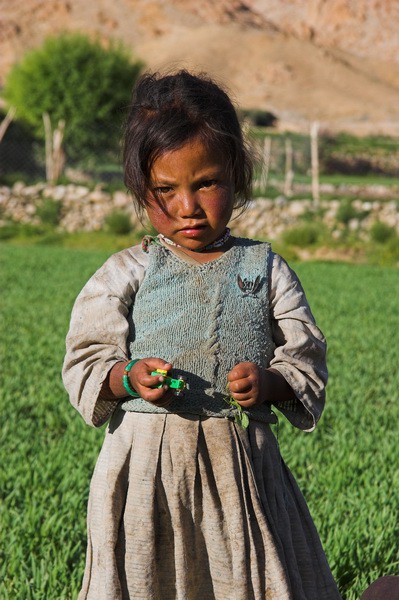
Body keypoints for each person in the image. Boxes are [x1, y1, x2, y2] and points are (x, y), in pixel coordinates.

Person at [63, 70, 341, 600]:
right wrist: (127, 377)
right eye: (165, 190)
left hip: (240, 468)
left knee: (243, 576)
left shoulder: (264, 268)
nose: (187, 206)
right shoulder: (127, 270)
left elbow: (306, 359)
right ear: (141, 190)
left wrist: (270, 382)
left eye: (206, 182)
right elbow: (86, 359)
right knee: (151, 577)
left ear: (236, 173)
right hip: (147, 468)